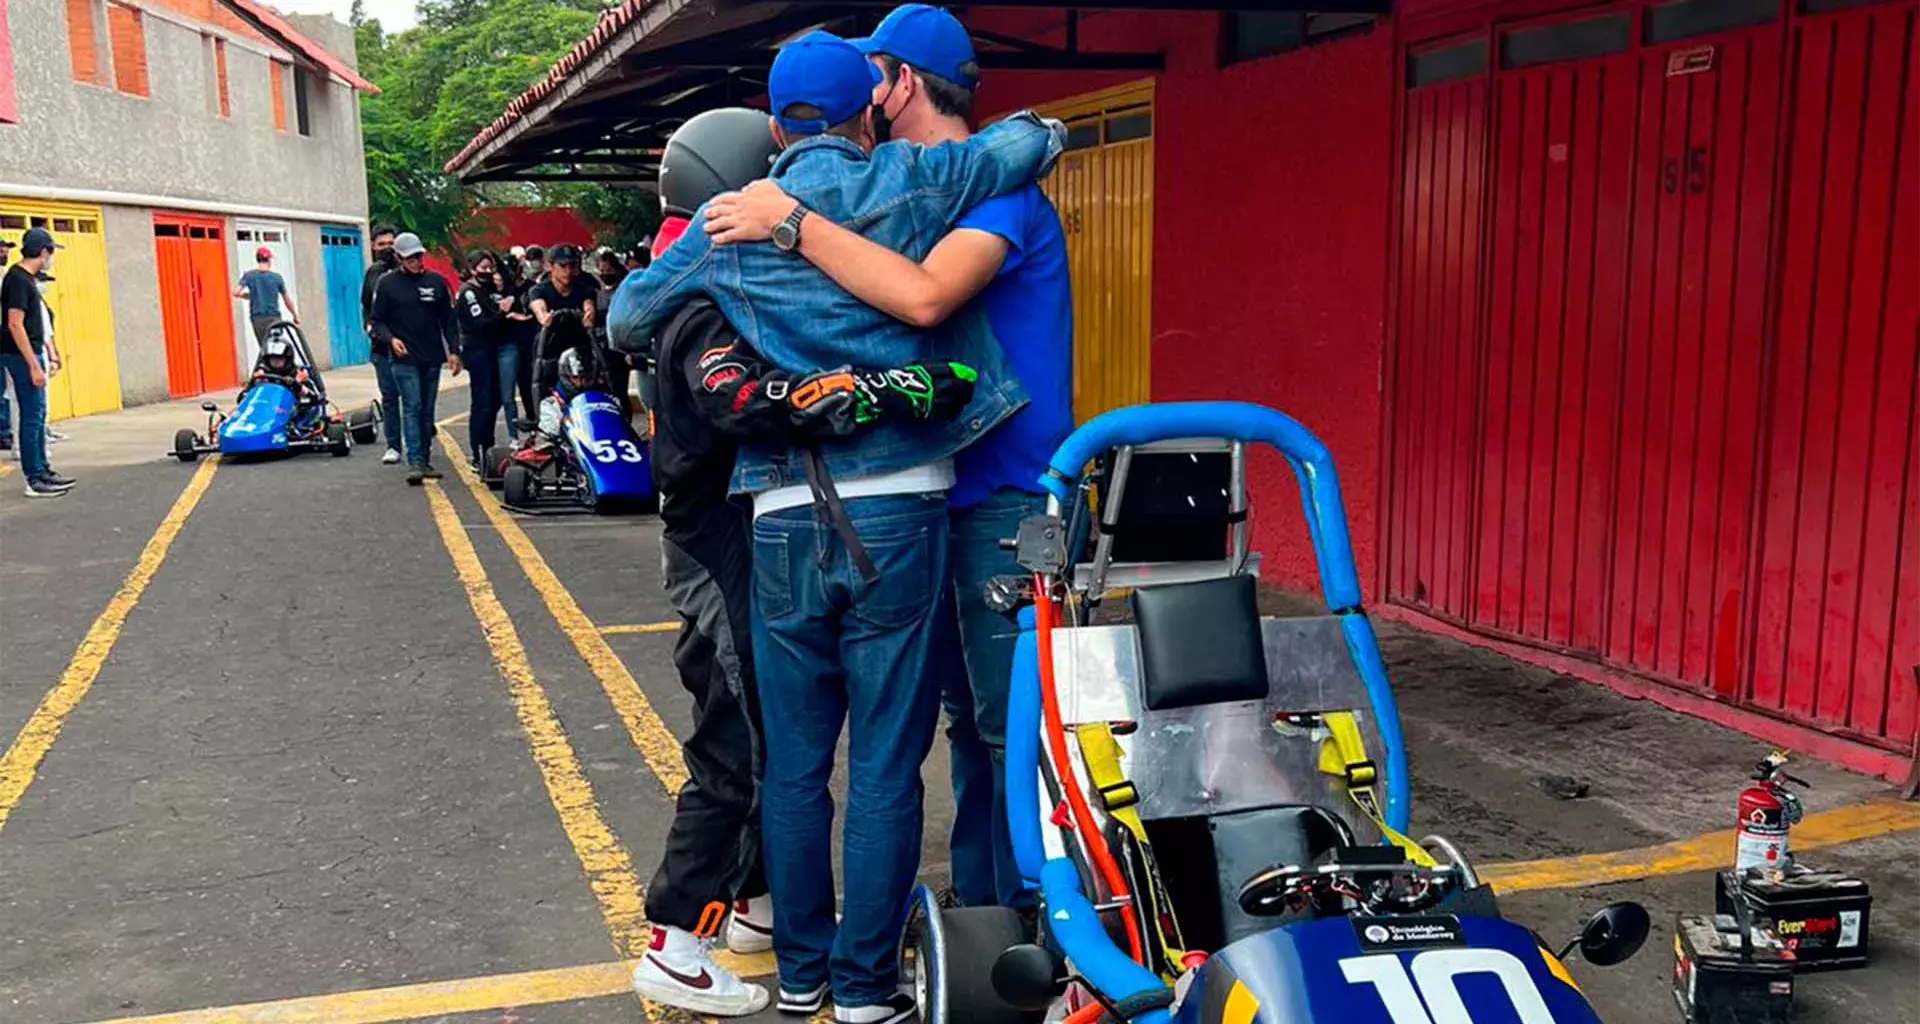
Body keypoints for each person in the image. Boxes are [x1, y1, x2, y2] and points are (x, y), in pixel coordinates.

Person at [610, 32, 1061, 1024]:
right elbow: (1032, 141)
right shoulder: (917, 179)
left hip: (777, 516)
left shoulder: (731, 220)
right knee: (890, 764)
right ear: (867, 110)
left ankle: (803, 973)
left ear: (776, 127)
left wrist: (733, 243)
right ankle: (864, 991)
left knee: (798, 765)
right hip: (902, 504)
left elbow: (627, 318)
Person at [704, 2, 1074, 918]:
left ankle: (1034, 926)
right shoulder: (895, 196)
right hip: (921, 492)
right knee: (951, 728)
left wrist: (787, 218)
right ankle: (983, 917)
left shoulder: (983, 193)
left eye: (872, 72)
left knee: (1006, 729)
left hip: (1008, 496)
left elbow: (921, 299)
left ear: (902, 83)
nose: (859, 96)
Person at [369, 232, 461, 484]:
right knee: (412, 406)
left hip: (431, 356)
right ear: (399, 258)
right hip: (403, 357)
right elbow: (377, 320)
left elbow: (449, 321)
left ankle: (425, 458)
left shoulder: (436, 282)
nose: (415, 261)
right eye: (410, 258)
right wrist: (391, 339)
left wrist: (454, 350)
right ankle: (415, 461)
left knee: (427, 410)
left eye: (418, 256)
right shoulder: (387, 284)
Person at [2, 228, 74, 497]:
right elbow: (14, 323)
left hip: (29, 353)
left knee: (39, 414)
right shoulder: (18, 280)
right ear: (43, 252)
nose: (51, 258)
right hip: (22, 356)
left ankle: (43, 469)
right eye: (51, 252)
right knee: (31, 417)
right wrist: (33, 364)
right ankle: (34, 477)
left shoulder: (25, 279)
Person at [455, 250, 519, 466]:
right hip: (477, 351)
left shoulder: (488, 289)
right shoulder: (469, 293)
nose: (488, 272)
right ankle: (478, 452)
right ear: (473, 269)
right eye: (483, 268)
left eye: (490, 267)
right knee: (482, 402)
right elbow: (481, 323)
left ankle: (487, 447)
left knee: (495, 400)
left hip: (492, 350)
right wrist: (502, 313)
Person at [362, 224, 404, 464]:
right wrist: (369, 326)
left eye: (391, 244)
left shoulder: (408, 271)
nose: (387, 249)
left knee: (414, 399)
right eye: (382, 245)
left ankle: (420, 441)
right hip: (381, 346)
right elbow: (366, 305)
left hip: (408, 345)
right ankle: (394, 445)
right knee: (389, 397)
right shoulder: (372, 274)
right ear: (373, 246)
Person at [234, 246, 299, 345]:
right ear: (269, 260)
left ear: (257, 259)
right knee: (277, 345)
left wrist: (250, 296)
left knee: (264, 347)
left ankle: (265, 359)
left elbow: (236, 292)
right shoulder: (277, 278)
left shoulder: (249, 275)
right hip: (274, 318)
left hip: (257, 319)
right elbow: (287, 300)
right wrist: (295, 315)